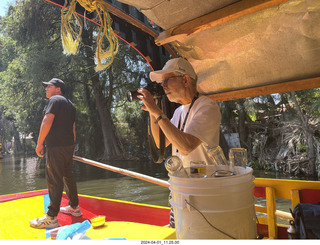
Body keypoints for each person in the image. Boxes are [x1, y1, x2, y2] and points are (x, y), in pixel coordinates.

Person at [138, 57, 221, 227]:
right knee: (178, 233)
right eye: (162, 83)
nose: (164, 86)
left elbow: (186, 147)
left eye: (167, 80)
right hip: (180, 193)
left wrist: (157, 111)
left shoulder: (207, 107)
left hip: (203, 196)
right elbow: (162, 144)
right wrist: (152, 112)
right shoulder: (179, 112)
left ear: (185, 80)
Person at [30, 78, 82, 229]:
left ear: (58, 89)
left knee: (54, 179)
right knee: (68, 176)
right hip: (67, 146)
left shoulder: (54, 100)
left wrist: (39, 143)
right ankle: (74, 208)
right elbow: (73, 128)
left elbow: (47, 120)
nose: (46, 89)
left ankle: (51, 217)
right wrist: (72, 146)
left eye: (49, 86)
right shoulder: (70, 105)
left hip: (56, 147)